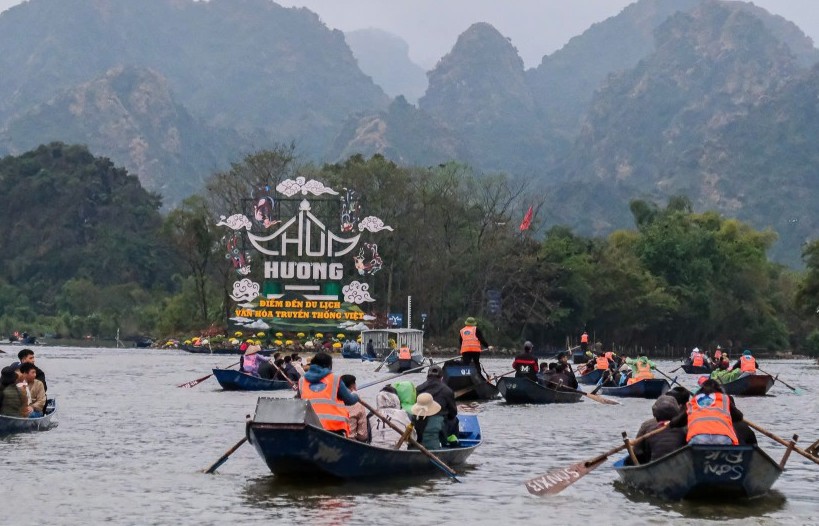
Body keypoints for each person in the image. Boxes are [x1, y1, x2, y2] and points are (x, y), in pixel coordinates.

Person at [297, 352, 359, 436]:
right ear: (329, 366)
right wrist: (355, 395)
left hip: (310, 426)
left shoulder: (302, 380)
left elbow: (297, 402)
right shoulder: (335, 378)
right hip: (333, 427)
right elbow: (349, 400)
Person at [670, 379, 742, 445]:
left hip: (698, 439)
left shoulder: (693, 401)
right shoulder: (724, 398)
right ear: (719, 390)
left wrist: (670, 423)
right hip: (723, 439)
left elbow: (676, 423)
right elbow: (739, 417)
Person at [632, 395, 687, 464]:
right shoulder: (685, 425)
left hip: (653, 464)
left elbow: (637, 452)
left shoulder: (646, 425)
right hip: (680, 463)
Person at [415, 365, 459, 445]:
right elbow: (453, 413)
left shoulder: (418, 389)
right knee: (455, 420)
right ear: (442, 378)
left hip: (420, 423)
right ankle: (452, 442)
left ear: (427, 377)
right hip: (441, 423)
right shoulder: (447, 390)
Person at [340, 375, 368, 442]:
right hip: (350, 442)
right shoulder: (359, 405)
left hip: (330, 439)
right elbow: (363, 435)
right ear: (353, 386)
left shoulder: (332, 401)